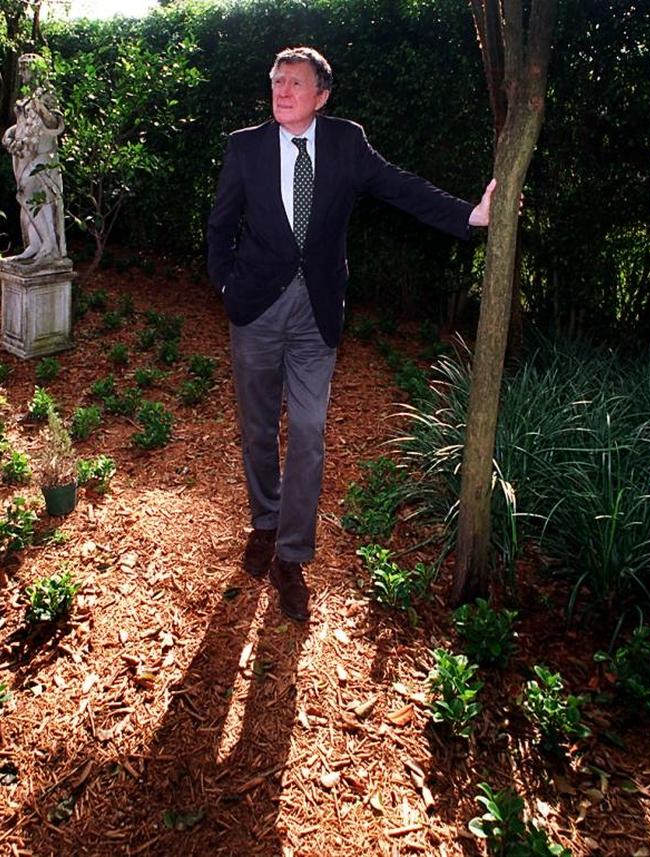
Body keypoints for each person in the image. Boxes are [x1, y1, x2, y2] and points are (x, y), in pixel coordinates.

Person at [207, 46, 495, 623]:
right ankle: (265, 520)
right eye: (277, 80)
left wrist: (470, 217)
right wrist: (227, 291)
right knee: (259, 429)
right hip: (257, 309)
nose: (282, 90)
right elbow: (219, 225)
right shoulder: (245, 146)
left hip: (317, 311)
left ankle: (292, 554)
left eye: (296, 82)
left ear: (321, 95)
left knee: (309, 432)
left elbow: (399, 186)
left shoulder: (346, 142)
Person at [2, 53, 66, 264]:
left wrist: (41, 107)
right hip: (23, 156)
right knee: (32, 201)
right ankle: (36, 244)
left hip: (43, 156)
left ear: (36, 70)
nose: (21, 73)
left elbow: (55, 124)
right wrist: (10, 133)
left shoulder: (47, 95)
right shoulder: (27, 96)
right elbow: (24, 124)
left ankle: (48, 245)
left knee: (28, 193)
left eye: (25, 68)